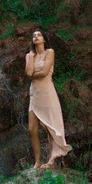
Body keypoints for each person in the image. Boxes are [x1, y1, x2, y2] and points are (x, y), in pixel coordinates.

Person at [25, 29, 72, 169]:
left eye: (39, 35)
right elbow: (28, 73)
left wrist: (34, 73)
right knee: (32, 130)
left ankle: (51, 161)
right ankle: (38, 161)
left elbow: (45, 72)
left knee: (50, 128)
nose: (36, 37)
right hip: (35, 94)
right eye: (34, 35)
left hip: (47, 93)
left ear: (44, 39)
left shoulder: (50, 52)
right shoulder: (30, 56)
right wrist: (31, 61)